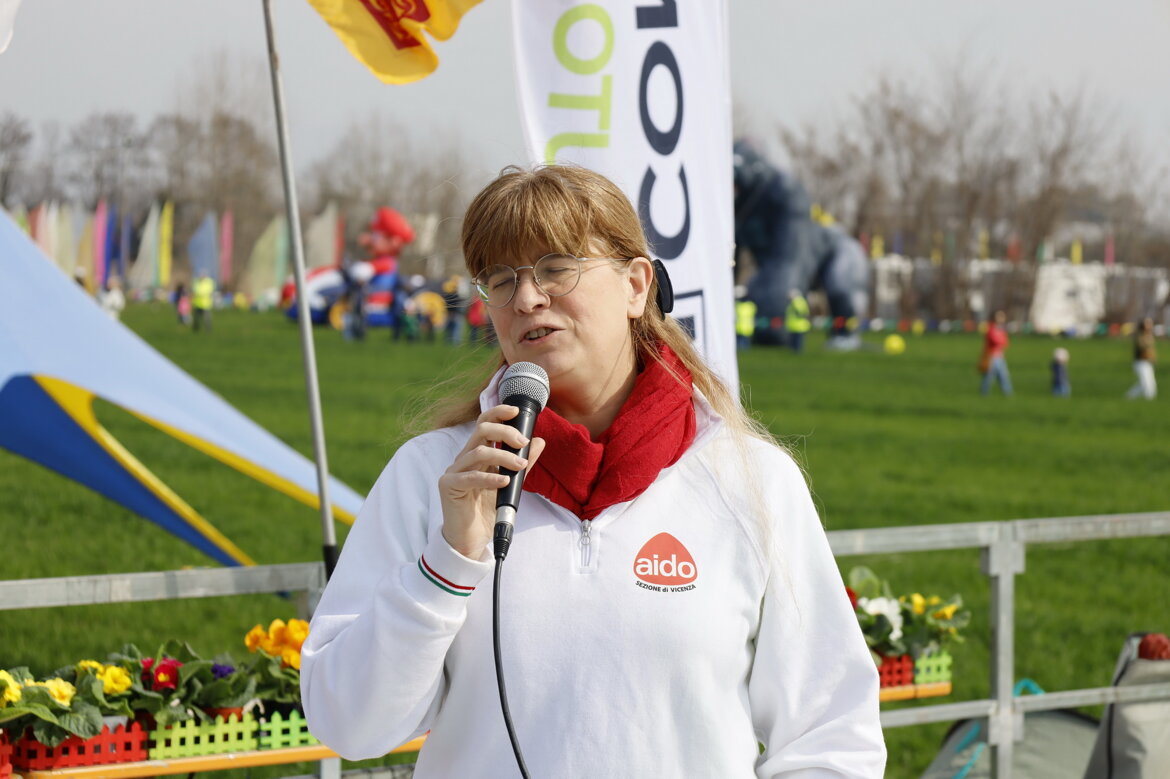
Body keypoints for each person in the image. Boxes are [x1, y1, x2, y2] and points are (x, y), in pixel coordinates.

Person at [301, 164, 886, 777]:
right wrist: (447, 564)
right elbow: (348, 726)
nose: (526, 298)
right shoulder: (434, 475)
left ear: (636, 286)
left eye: (556, 268)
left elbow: (831, 734)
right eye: (500, 279)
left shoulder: (751, 480)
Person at [979, 310, 1012, 395]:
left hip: (1000, 356)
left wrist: (1001, 340)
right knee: (988, 376)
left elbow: (1006, 342)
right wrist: (1001, 340)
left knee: (1004, 376)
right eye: (1000, 316)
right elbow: (995, 340)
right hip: (991, 356)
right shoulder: (991, 328)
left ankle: (1008, 393)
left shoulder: (1001, 329)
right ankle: (984, 393)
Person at [1125, 317, 1157, 399]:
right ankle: (1131, 397)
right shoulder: (1140, 336)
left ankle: (1129, 397)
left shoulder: (1149, 336)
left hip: (1148, 362)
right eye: (1148, 324)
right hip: (1141, 362)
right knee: (1146, 384)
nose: (1150, 326)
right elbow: (1143, 348)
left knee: (1149, 383)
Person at [784, 287, 811, 352]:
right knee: (795, 341)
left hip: (798, 326)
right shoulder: (796, 302)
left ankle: (797, 352)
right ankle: (795, 351)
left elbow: (801, 312)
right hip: (795, 326)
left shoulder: (797, 302)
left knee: (797, 341)